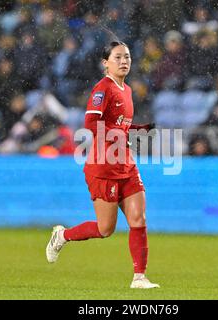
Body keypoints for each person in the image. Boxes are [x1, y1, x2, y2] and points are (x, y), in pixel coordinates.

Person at [46, 41, 159, 289]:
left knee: (138, 219)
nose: (124, 61)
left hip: (125, 164)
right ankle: (62, 235)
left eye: (127, 57)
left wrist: (140, 130)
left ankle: (139, 277)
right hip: (103, 166)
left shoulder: (127, 90)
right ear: (105, 63)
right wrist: (118, 133)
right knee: (105, 229)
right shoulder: (102, 89)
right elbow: (90, 122)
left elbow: (121, 126)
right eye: (117, 57)